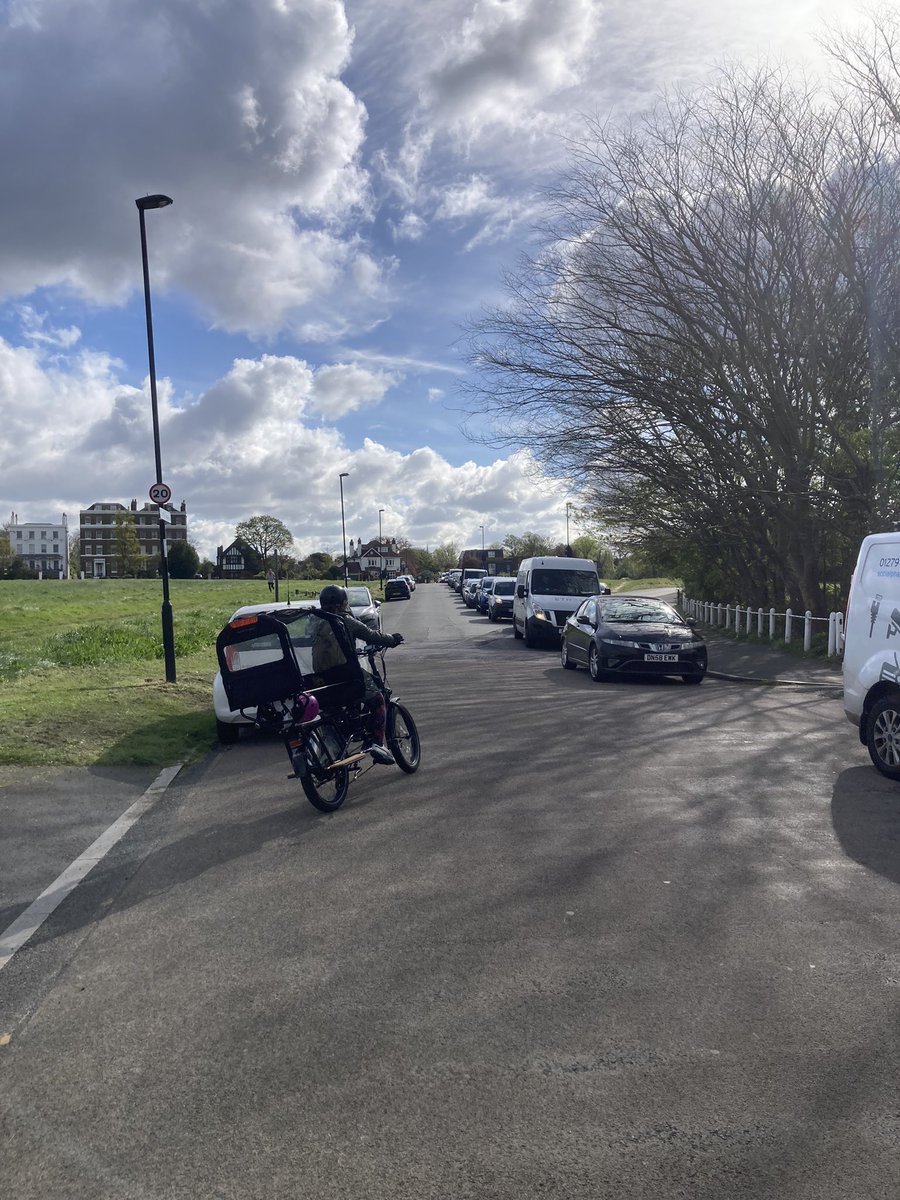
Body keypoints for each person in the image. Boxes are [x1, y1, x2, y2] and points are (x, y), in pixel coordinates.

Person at [315, 584, 403, 765]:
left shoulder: (315, 622)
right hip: (346, 675)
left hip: (321, 678)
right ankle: (377, 745)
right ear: (343, 602)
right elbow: (371, 635)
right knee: (378, 699)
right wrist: (392, 639)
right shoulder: (344, 620)